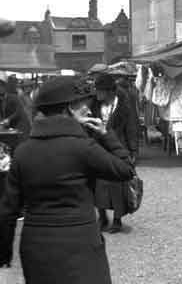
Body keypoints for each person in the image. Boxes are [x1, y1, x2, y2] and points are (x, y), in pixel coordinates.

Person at [0, 75, 134, 283]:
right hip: (80, 245)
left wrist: (5, 252)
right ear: (70, 107)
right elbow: (125, 169)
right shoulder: (84, 148)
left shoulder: (23, 152)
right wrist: (106, 134)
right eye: (84, 105)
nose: (89, 110)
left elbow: (8, 211)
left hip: (36, 247)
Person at [94, 74, 139, 233]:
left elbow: (132, 126)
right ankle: (102, 216)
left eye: (100, 91)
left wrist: (133, 150)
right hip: (99, 148)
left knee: (118, 185)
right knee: (98, 184)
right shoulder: (94, 105)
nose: (97, 94)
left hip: (118, 147)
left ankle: (118, 220)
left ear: (109, 91)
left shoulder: (124, 104)